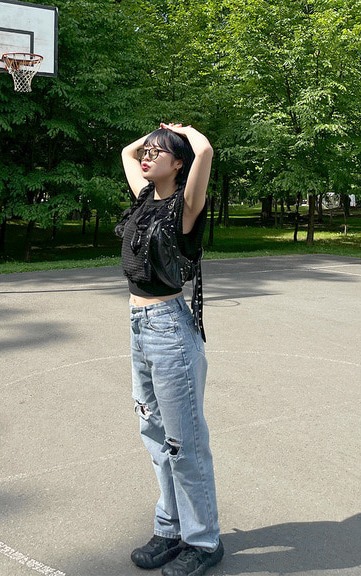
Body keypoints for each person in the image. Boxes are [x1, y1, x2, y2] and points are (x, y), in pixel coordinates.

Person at [116, 123, 223, 576]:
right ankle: (171, 527)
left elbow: (205, 151)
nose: (147, 156)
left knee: (184, 442)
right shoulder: (145, 198)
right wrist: (154, 137)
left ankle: (203, 540)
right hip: (139, 326)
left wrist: (183, 133)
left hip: (169, 330)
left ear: (178, 164)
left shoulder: (185, 206)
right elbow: (127, 152)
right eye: (149, 151)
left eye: (158, 153)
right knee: (156, 435)